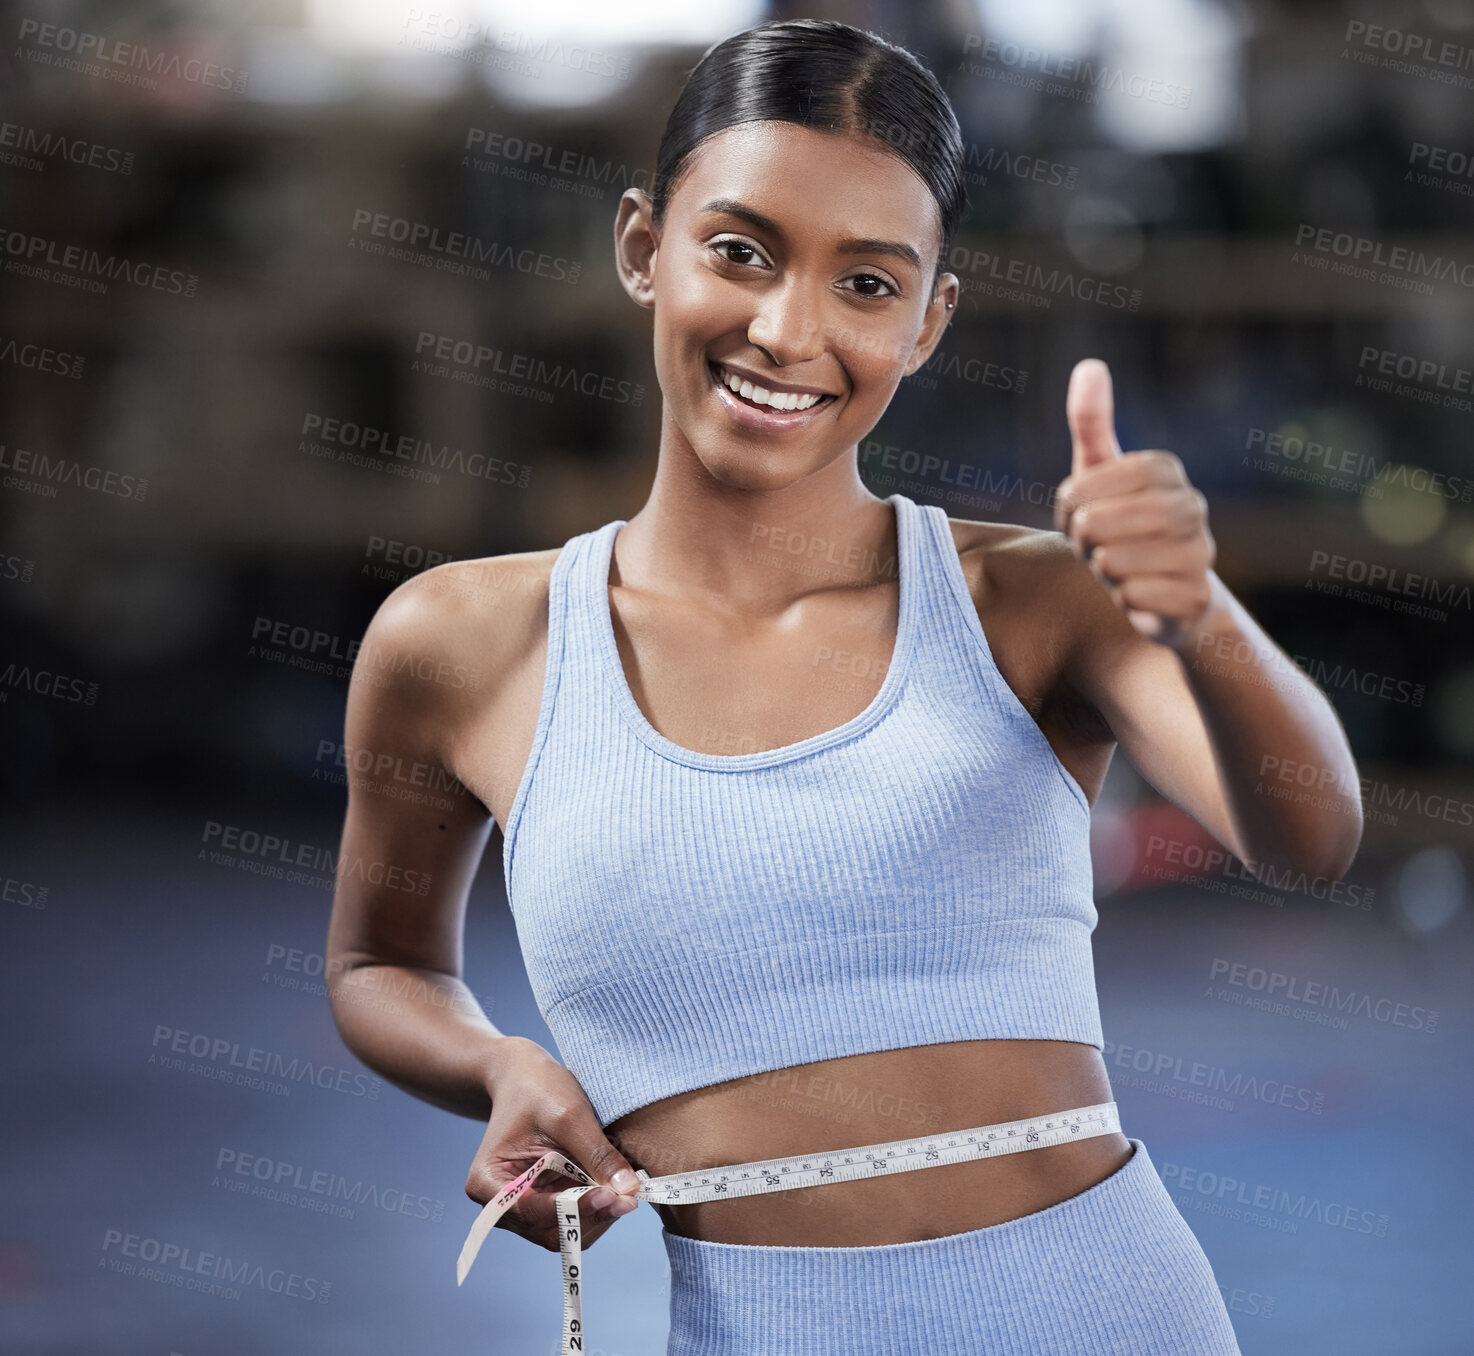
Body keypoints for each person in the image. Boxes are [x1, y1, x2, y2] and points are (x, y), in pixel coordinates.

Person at [326, 19, 1361, 1354]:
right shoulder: (458, 641)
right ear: (643, 245)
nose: (785, 328)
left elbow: (1309, 838)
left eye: (865, 284)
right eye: (740, 251)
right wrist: (499, 1066)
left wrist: (1194, 607)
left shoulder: (1031, 600)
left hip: (1103, 1314)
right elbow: (377, 963)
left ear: (929, 319)